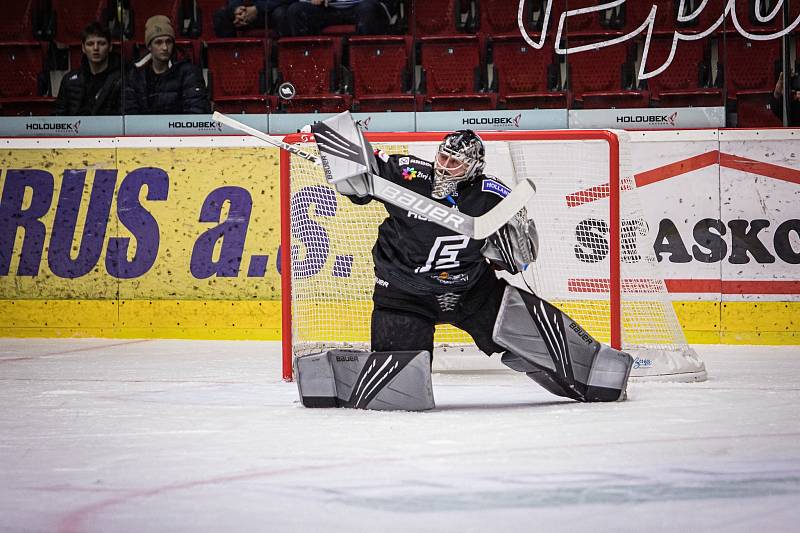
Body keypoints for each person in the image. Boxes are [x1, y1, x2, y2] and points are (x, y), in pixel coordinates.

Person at [294, 112, 634, 410]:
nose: (444, 166)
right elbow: (361, 179)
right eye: (443, 157)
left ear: (473, 168)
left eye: (455, 163)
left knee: (561, 358)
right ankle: (330, 376)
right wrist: (336, 144)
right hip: (403, 295)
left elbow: (521, 258)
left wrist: (511, 248)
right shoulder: (410, 174)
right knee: (397, 392)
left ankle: (594, 368)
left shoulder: (491, 195)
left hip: (471, 292)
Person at [123, 15, 211, 115]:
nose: (165, 47)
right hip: (145, 129)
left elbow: (196, 110)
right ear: (149, 46)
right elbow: (129, 114)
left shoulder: (189, 72)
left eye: (168, 42)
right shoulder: (134, 74)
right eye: (158, 42)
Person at [54, 22, 121, 116]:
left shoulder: (122, 79)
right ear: (83, 48)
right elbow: (59, 117)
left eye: (101, 43)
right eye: (90, 44)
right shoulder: (69, 80)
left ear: (110, 47)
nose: (96, 48)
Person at [285, 0, 395, 36]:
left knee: (367, 10)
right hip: (328, 9)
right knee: (296, 10)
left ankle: (367, 64)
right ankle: (309, 65)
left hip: (358, 6)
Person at [213, 0, 295, 38]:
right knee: (221, 16)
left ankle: (280, 60)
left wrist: (258, 9)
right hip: (248, 12)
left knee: (281, 13)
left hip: (272, 10)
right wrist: (237, 9)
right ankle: (231, 60)